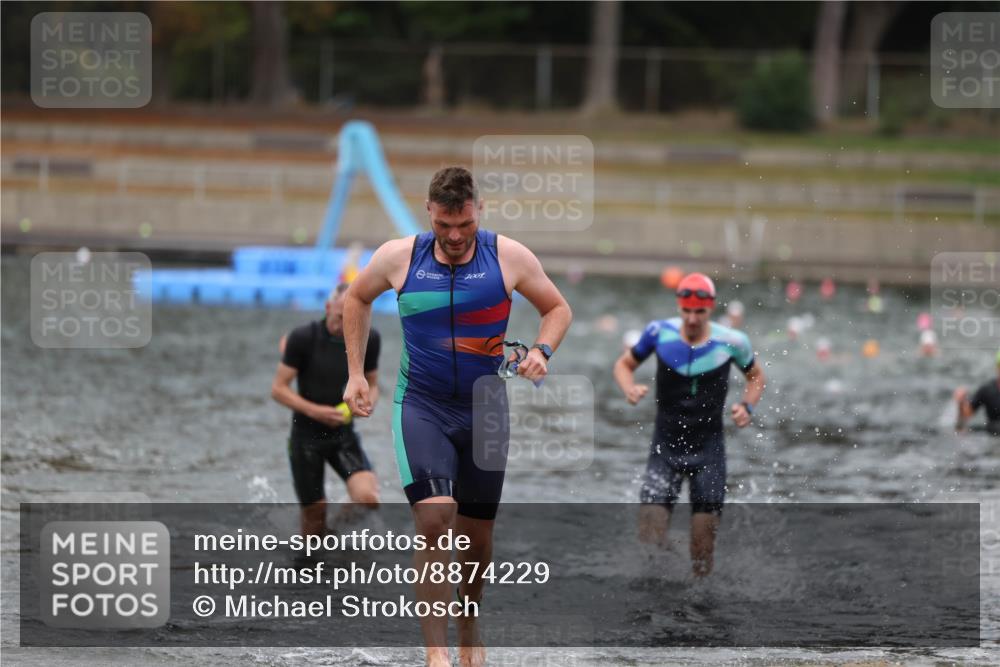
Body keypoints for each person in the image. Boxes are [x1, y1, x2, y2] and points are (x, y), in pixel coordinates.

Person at [342, 166, 572, 667]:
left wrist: (542, 350)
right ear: (430, 212)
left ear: (477, 210)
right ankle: (436, 653)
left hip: (486, 408)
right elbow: (356, 298)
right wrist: (357, 373)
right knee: (433, 516)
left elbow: (558, 309)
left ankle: (468, 625)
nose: (452, 236)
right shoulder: (399, 257)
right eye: (444, 224)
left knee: (476, 535)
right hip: (422, 405)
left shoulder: (508, 256)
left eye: (462, 225)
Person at [613, 272, 765, 577]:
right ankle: (664, 576)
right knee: (650, 538)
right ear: (679, 306)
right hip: (665, 448)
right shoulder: (659, 333)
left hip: (708, 452)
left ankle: (698, 605)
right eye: (687, 311)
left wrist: (747, 405)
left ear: (711, 307)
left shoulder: (733, 341)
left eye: (700, 312)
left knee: (702, 550)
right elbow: (624, 364)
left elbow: (756, 376)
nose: (693, 319)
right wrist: (629, 388)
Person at [271, 284, 381, 541]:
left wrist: (366, 404)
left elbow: (373, 385)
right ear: (328, 307)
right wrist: (316, 411)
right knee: (314, 520)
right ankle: (311, 565)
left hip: (342, 433)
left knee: (368, 498)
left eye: (350, 319)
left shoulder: (370, 338)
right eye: (339, 317)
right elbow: (278, 389)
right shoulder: (302, 337)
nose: (342, 325)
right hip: (305, 437)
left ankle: (335, 530)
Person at [954, 348, 1000, 436]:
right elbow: (967, 413)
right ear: (997, 368)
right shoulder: (987, 390)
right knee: (962, 433)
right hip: (992, 433)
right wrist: (961, 401)